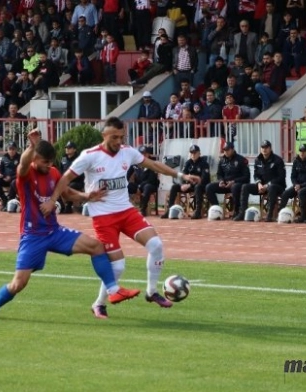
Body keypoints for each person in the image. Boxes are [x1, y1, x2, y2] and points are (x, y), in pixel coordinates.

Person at [41, 117, 201, 319]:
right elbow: (64, 179)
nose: (118, 141)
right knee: (118, 266)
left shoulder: (127, 152)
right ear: (104, 135)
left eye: (121, 137)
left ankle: (151, 292)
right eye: (114, 137)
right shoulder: (89, 156)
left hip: (126, 211)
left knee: (156, 246)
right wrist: (59, 200)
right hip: (103, 217)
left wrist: (181, 176)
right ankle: (99, 304)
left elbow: (153, 165)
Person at [0, 130, 141, 320]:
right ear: (35, 159)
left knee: (96, 246)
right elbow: (21, 165)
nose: (49, 165)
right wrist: (31, 146)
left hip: (54, 231)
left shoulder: (53, 172)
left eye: (51, 161)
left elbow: (67, 193)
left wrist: (87, 196)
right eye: (45, 162)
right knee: (18, 284)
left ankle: (113, 291)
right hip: (33, 236)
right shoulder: (26, 174)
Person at [235, 140, 286, 222]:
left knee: (272, 187)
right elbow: (256, 175)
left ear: (270, 148)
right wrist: (259, 183)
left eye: (266, 147)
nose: (264, 150)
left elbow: (281, 177)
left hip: (277, 186)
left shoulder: (278, 160)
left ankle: (269, 215)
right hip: (262, 186)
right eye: (262, 148)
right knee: (245, 187)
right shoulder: (258, 160)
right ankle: (242, 213)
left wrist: (268, 185)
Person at [197, 142, 250, 220]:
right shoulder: (222, 160)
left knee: (235, 187)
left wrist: (234, 181)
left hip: (237, 184)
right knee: (209, 187)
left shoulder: (241, 160)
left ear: (232, 149)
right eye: (224, 150)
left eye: (228, 150)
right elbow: (219, 174)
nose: (226, 152)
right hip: (225, 184)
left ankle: (237, 211)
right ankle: (217, 209)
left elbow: (246, 177)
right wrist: (221, 180)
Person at [160, 144, 211, 219]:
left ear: (199, 153)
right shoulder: (188, 163)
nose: (193, 155)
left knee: (198, 187)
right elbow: (183, 176)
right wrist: (183, 184)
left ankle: (198, 212)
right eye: (191, 153)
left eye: (195, 153)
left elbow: (204, 179)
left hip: (200, 186)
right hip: (189, 185)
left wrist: (190, 183)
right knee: (174, 187)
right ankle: (169, 210)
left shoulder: (204, 163)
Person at [280, 144, 306, 223]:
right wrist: (295, 184)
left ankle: (303, 216)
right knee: (285, 193)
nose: (302, 153)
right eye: (300, 151)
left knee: (301, 192)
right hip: (298, 186)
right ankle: (281, 214)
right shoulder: (296, 162)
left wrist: (301, 185)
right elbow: (293, 176)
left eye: (304, 151)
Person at [0, 142, 21, 211]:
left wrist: (11, 177)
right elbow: (1, 169)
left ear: (16, 150)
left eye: (13, 149)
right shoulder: (4, 157)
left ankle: (10, 202)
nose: (11, 151)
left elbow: (20, 171)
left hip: (15, 179)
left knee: (13, 182)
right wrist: (2, 175)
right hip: (5, 178)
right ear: (7, 150)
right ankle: (4, 199)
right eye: (10, 149)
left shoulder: (20, 158)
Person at [59, 141, 85, 214]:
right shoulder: (63, 159)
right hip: (66, 181)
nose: (67, 149)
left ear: (74, 150)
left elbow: (81, 174)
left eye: (69, 148)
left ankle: (68, 205)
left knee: (70, 186)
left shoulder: (78, 159)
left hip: (77, 181)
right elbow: (61, 171)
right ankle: (61, 206)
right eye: (66, 148)